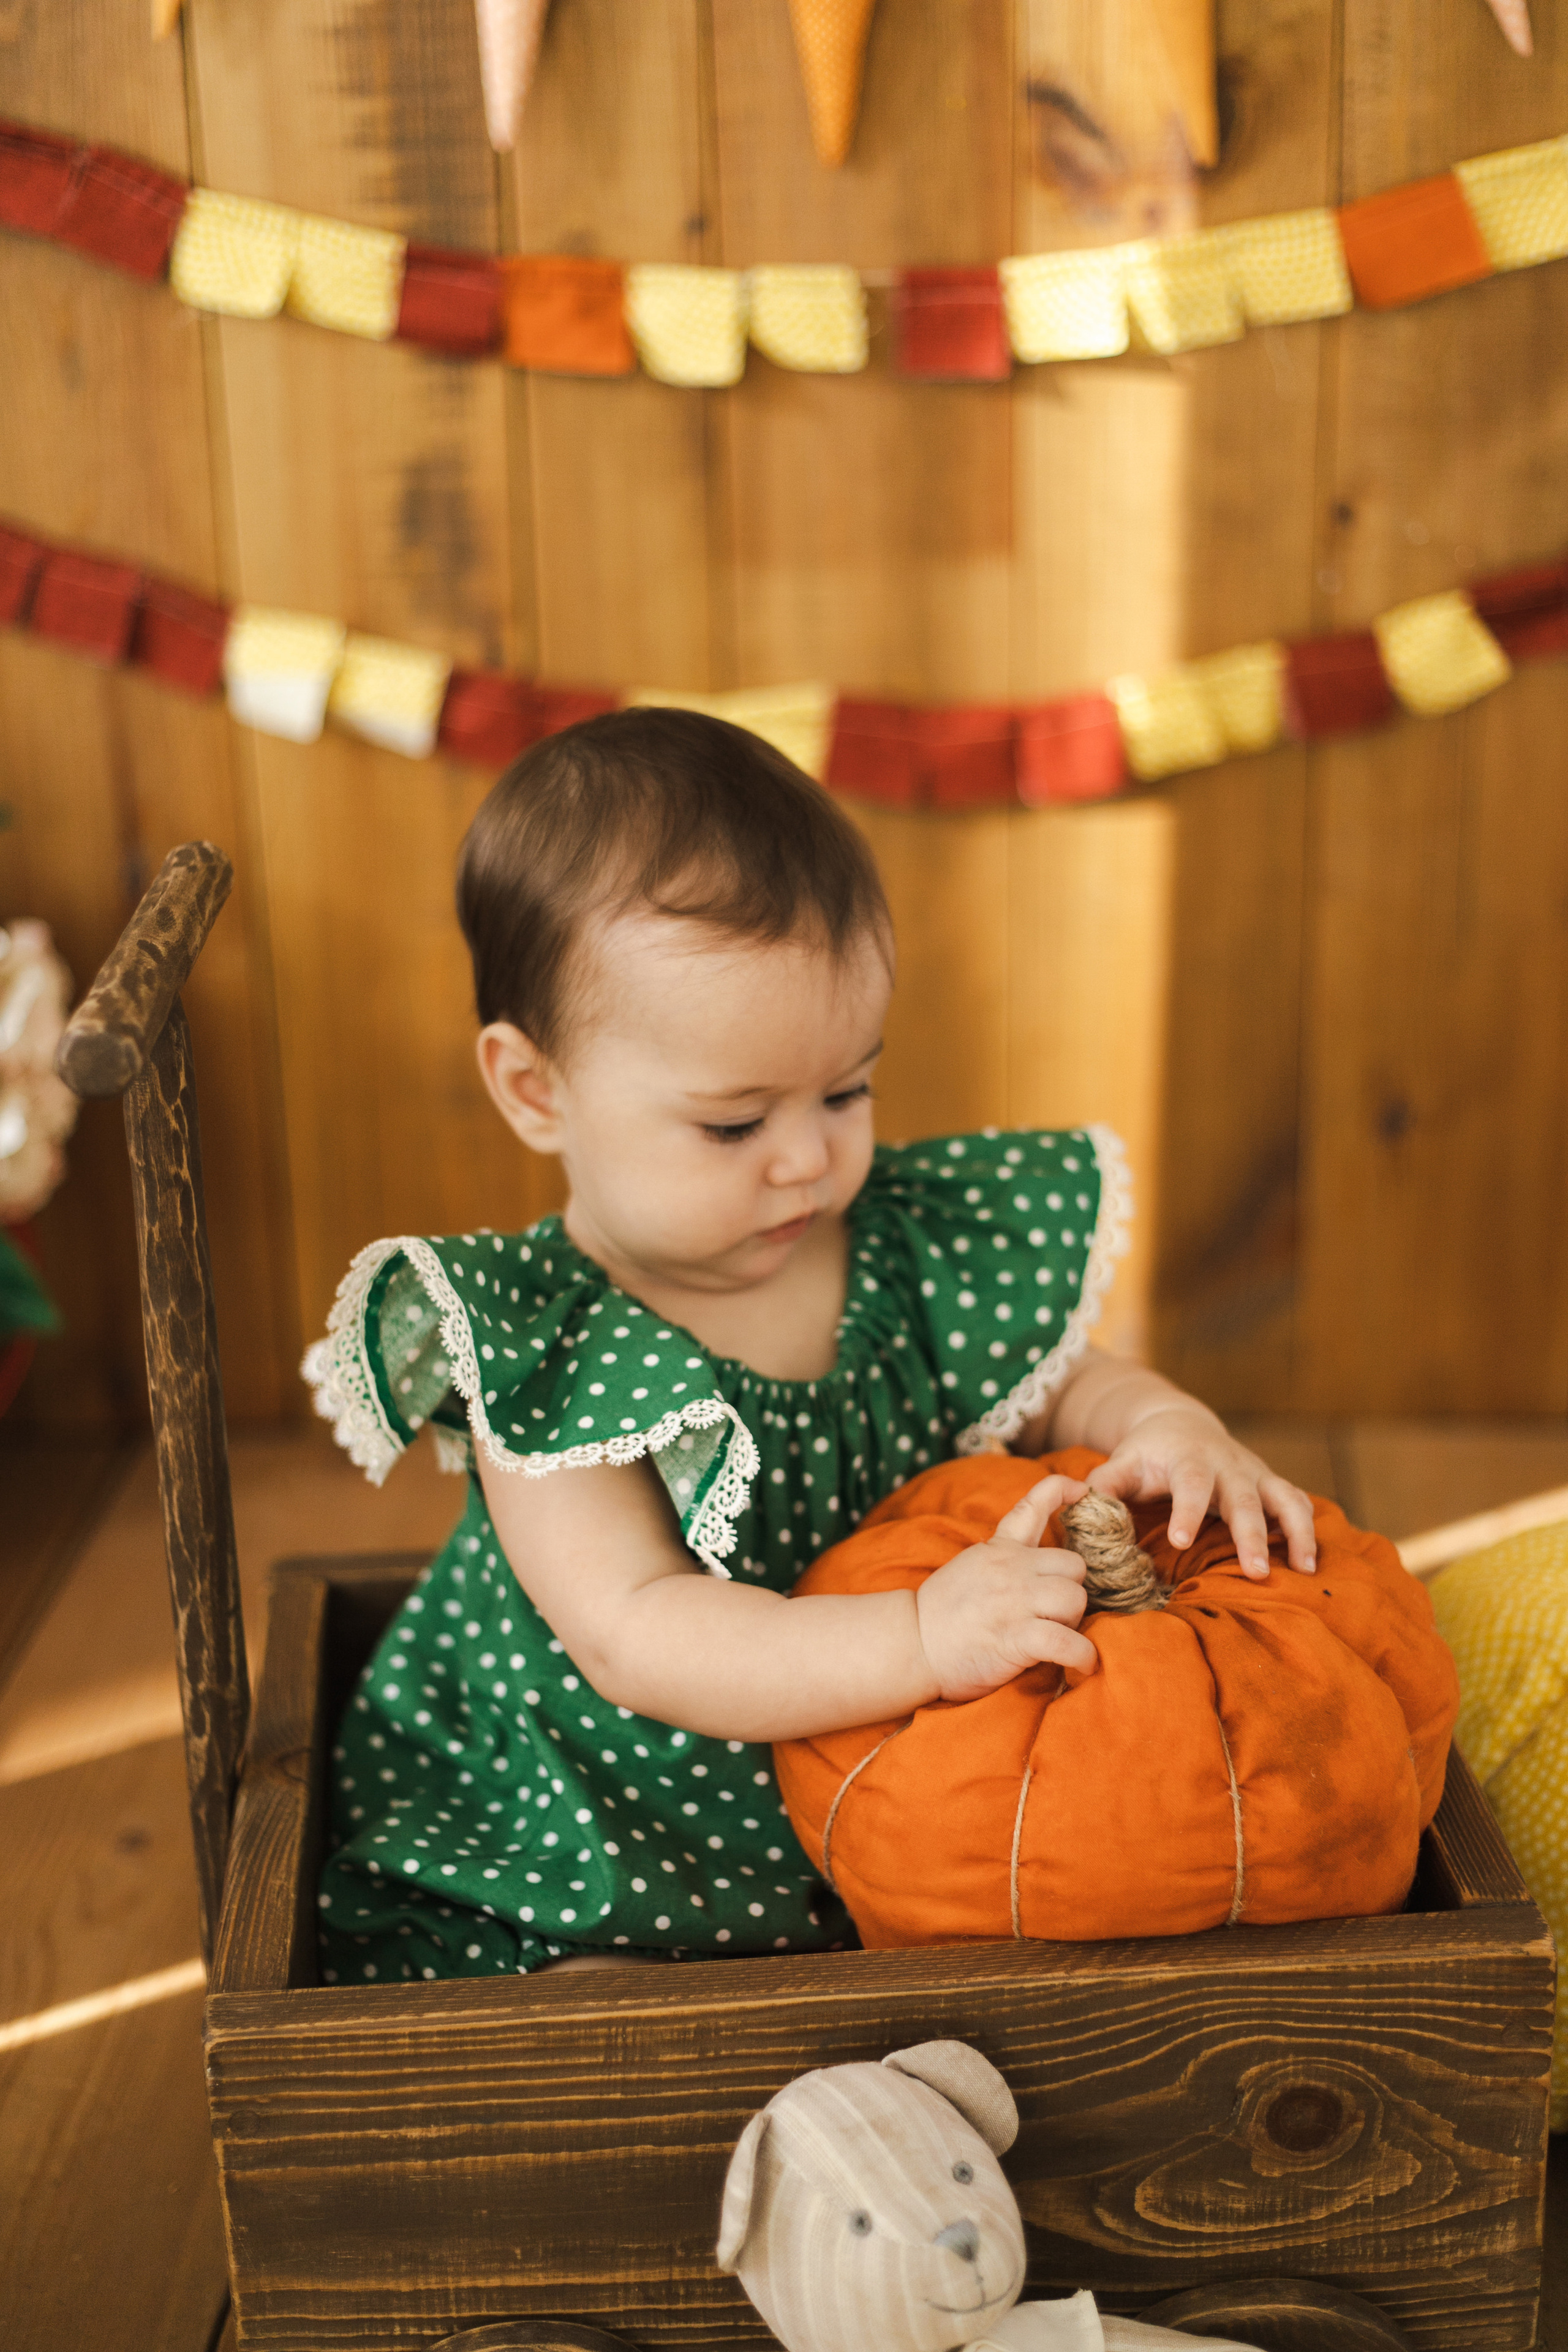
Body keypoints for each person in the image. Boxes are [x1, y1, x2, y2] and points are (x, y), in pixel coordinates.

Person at [306, 709, 1317, 1985]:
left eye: (845, 1091)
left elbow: (1059, 1380)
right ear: (535, 1090)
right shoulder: (547, 1350)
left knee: (1028, 1958)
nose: (809, 1158)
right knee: (594, 2023)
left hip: (896, 1801)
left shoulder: (898, 1244)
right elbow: (640, 1632)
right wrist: (920, 1644)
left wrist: (1164, 1423)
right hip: (612, 1836)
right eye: (732, 1125)